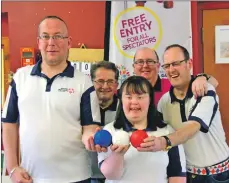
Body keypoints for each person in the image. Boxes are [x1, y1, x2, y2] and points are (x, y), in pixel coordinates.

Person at [2, 15, 103, 183]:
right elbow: (9, 123)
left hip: (76, 177)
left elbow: (89, 127)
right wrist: (12, 168)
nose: (51, 42)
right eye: (46, 36)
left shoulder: (83, 81)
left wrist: (92, 137)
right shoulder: (20, 78)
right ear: (39, 41)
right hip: (31, 177)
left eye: (58, 36)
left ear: (69, 42)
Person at [157, 44, 229, 183]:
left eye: (176, 63)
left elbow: (193, 126)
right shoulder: (164, 102)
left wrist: (164, 141)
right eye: (167, 66)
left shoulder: (205, 90)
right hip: (186, 175)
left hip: (217, 175)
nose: (171, 70)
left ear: (189, 63)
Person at [98, 76, 187, 183]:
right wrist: (117, 155)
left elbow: (177, 175)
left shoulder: (167, 132)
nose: (134, 102)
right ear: (121, 100)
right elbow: (111, 175)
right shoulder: (109, 131)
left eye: (140, 97)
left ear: (150, 100)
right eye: (129, 97)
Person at [132, 47, 219, 106]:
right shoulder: (126, 91)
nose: (145, 66)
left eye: (150, 61)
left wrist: (202, 78)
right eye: (140, 62)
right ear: (134, 67)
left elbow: (214, 82)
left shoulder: (174, 83)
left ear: (158, 66)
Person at [89, 61, 119, 183]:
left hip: (116, 175)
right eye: (100, 81)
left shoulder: (125, 109)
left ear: (116, 84)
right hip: (86, 174)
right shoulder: (82, 107)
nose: (105, 86)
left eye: (110, 81)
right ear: (92, 82)